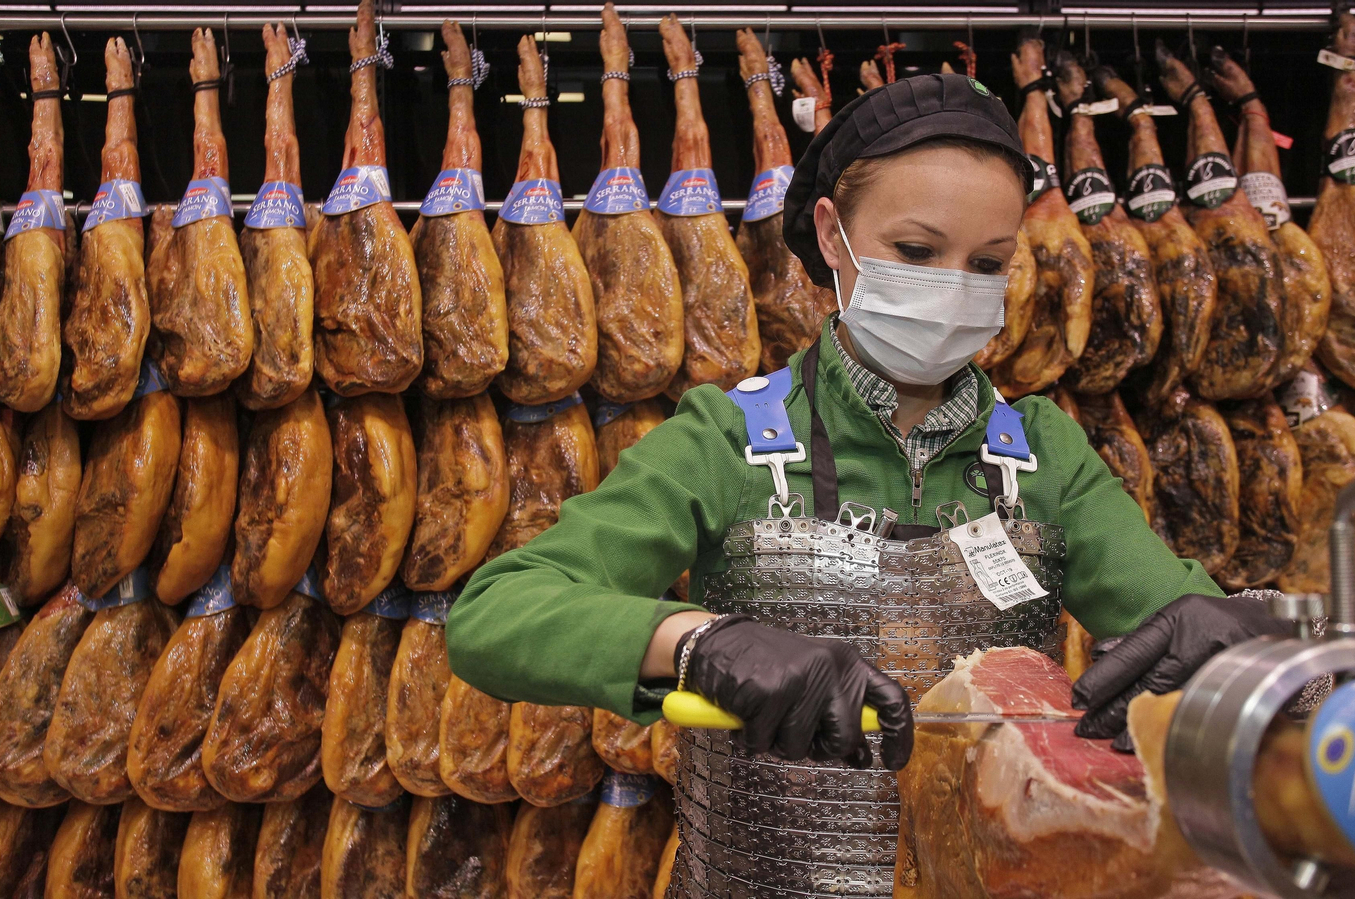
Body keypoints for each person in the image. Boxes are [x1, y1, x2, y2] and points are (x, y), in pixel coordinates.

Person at [447, 72, 1283, 898]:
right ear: (832, 234)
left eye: (987, 262)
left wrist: (1254, 647)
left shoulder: (1044, 457)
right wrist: (699, 642)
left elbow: (1222, 649)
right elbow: (496, 616)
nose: (953, 285)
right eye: (916, 252)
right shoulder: (728, 438)